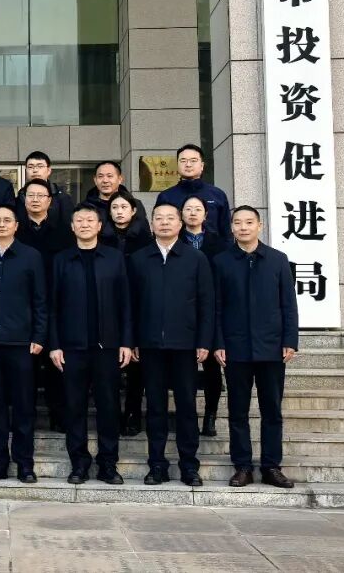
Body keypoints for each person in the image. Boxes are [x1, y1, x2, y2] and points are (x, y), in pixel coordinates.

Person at [129, 203, 215, 487]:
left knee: (186, 406)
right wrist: (132, 340)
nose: (164, 223)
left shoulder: (195, 258)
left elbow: (206, 303)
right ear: (151, 224)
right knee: (155, 407)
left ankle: (189, 466)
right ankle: (157, 465)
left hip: (185, 345)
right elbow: (130, 305)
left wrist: (204, 341)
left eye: (170, 218)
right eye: (159, 218)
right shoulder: (139, 259)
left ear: (180, 224)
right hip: (150, 345)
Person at [213, 206, 299, 489]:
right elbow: (216, 307)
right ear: (231, 227)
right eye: (238, 223)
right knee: (237, 411)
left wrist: (290, 340)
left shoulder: (277, 260)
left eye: (249, 222)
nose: (243, 227)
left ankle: (271, 466)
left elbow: (288, 305)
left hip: (271, 347)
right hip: (235, 347)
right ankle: (243, 467)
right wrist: (218, 342)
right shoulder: (221, 261)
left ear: (259, 226)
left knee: (271, 410)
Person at [48, 203, 132, 486]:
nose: (84, 225)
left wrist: (126, 342)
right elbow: (53, 306)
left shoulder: (114, 258)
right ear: (72, 227)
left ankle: (108, 464)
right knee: (74, 407)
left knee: (109, 407)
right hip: (72, 347)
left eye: (89, 220)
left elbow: (125, 303)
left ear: (99, 226)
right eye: (79, 221)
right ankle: (79, 463)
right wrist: (54, 344)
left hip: (107, 346)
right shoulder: (61, 260)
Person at [0, 203, 47, 484]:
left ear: (16, 225)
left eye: (7, 220)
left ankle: (25, 464)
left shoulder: (31, 256)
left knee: (24, 405)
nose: (1, 224)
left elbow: (40, 300)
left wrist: (39, 336)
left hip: (21, 344)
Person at [17, 178, 72, 434]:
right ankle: (24, 418)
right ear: (24, 200)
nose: (35, 199)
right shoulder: (16, 230)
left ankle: (58, 415)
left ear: (50, 201)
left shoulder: (64, 232)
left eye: (41, 195)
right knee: (25, 366)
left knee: (56, 363)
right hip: (22, 307)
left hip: (56, 304)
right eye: (31, 195)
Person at [99, 189, 153, 437]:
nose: (119, 212)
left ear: (133, 211)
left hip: (139, 305)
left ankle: (133, 413)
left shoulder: (146, 239)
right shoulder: (101, 238)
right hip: (109, 307)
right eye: (114, 208)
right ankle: (111, 415)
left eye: (124, 207)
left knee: (136, 366)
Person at [181, 195, 228, 438]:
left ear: (206, 215)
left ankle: (210, 414)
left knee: (211, 368)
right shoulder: (174, 240)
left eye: (197, 209)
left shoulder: (219, 243)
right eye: (188, 209)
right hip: (182, 310)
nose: (192, 213)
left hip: (210, 307)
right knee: (185, 369)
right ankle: (188, 414)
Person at [155, 144, 231, 241]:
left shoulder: (217, 194)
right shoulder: (166, 196)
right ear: (177, 165)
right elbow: (158, 229)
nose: (188, 165)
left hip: (212, 249)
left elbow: (226, 232)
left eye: (193, 161)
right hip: (176, 249)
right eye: (183, 161)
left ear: (202, 165)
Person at [19, 151, 75, 222]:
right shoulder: (20, 196)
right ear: (26, 171)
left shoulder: (62, 198)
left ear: (49, 170)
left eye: (40, 166)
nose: (35, 170)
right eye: (30, 167)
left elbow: (68, 224)